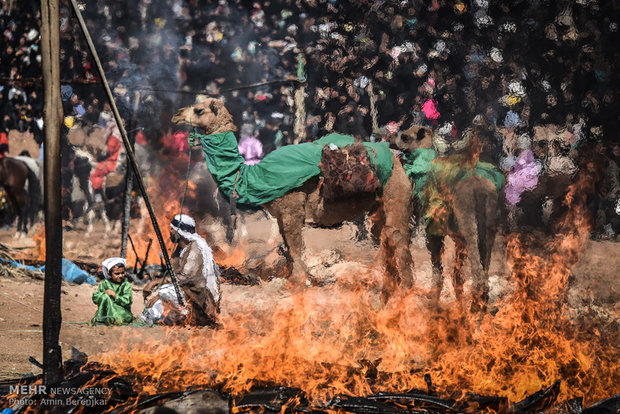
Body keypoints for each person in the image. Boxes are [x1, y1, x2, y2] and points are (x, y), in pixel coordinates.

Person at [141, 214, 221, 327]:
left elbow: (183, 278)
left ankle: (188, 314)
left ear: (179, 233)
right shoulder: (180, 248)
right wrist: (158, 296)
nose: (170, 232)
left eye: (172, 229)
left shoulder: (195, 250)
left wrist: (155, 284)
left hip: (197, 297)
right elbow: (174, 275)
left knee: (164, 291)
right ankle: (179, 316)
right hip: (183, 292)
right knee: (152, 310)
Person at [91, 257, 133, 325]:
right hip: (105, 311)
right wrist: (104, 293)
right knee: (105, 297)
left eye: (122, 273)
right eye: (117, 274)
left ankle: (111, 319)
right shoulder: (104, 284)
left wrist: (115, 296)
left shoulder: (126, 285)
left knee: (118, 315)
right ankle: (101, 319)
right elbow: (95, 298)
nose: (121, 275)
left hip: (121, 311)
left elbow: (128, 300)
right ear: (109, 274)